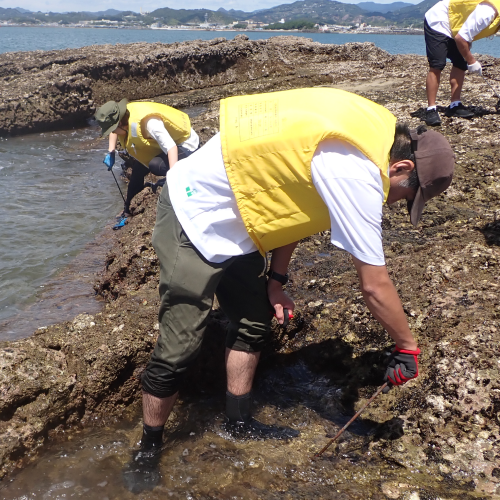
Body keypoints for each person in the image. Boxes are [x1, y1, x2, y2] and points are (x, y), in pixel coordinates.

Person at [125, 88, 455, 492]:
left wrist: (276, 282)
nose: (394, 204)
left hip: (244, 222)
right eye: (406, 194)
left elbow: (295, 203)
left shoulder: (370, 129)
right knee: (179, 347)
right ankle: (147, 448)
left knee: (253, 322)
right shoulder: (357, 170)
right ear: (401, 165)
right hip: (193, 215)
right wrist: (407, 346)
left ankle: (238, 423)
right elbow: (373, 284)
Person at [95, 99, 199, 217]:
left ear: (119, 123)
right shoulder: (123, 118)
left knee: (155, 165)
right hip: (161, 146)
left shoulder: (149, 123)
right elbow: (114, 131)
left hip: (185, 145)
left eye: (113, 129)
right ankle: (127, 211)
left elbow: (171, 148)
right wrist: (111, 151)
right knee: (137, 172)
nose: (113, 133)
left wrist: (173, 180)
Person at [424, 0, 500, 126]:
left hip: (456, 26)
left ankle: (455, 105)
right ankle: (431, 109)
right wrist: (472, 61)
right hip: (439, 20)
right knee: (437, 64)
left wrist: (466, 54)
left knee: (460, 62)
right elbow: (461, 38)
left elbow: (467, 32)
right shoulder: (488, 12)